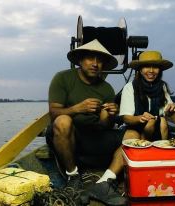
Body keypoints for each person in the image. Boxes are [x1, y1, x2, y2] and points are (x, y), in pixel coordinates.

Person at [47, 39, 128, 205]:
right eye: (90, 58)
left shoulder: (106, 88)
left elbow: (104, 127)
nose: (95, 64)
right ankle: (73, 177)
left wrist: (110, 115)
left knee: (133, 135)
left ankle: (104, 183)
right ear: (80, 60)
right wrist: (77, 109)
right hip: (70, 139)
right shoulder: (62, 78)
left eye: (100, 60)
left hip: (95, 137)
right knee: (63, 121)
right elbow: (54, 113)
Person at [119, 50, 175, 141]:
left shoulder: (162, 86)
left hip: (157, 129)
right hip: (134, 129)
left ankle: (162, 148)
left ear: (160, 70)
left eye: (155, 67)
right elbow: (126, 118)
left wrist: (171, 108)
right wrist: (140, 118)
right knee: (151, 122)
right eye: (147, 66)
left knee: (162, 121)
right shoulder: (129, 87)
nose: (151, 71)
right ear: (140, 69)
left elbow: (166, 111)